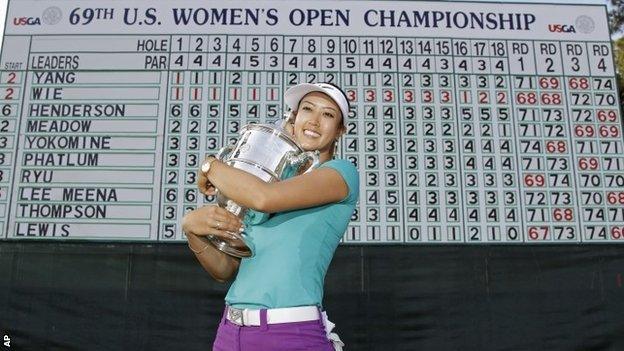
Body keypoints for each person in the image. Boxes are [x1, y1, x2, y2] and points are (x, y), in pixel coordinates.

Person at [181, 82, 359, 351]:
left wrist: (210, 165)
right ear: (293, 118)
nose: (314, 120)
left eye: (328, 114)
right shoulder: (274, 181)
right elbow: (224, 269)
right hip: (230, 333)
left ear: (340, 131)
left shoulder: (340, 173)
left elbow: (264, 198)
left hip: (289, 334)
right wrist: (191, 230)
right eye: (307, 109)